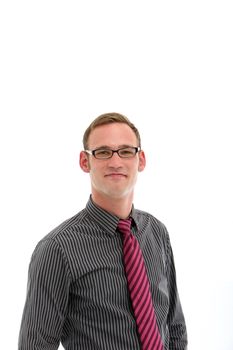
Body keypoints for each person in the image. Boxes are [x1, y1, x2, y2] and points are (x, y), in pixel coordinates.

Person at [18, 112, 188, 349]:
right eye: (103, 152)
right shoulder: (57, 249)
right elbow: (35, 345)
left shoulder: (157, 232)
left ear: (141, 160)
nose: (116, 162)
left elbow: (174, 325)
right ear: (85, 161)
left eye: (126, 151)